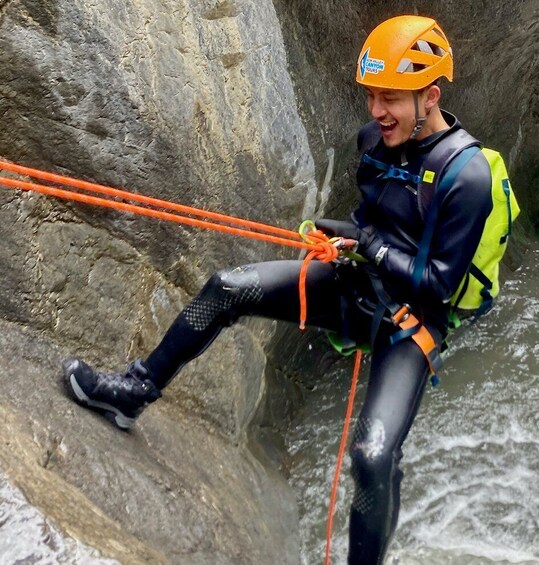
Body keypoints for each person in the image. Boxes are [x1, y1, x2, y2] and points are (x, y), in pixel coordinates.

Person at [64, 15, 499, 564]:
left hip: (410, 323)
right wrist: (344, 236)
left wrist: (367, 243)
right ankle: (132, 393)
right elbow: (376, 222)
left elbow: (439, 283)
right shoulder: (379, 141)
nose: (375, 111)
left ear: (430, 96)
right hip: (354, 282)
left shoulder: (467, 176)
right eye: (371, 95)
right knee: (228, 287)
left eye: (390, 97)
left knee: (372, 454)